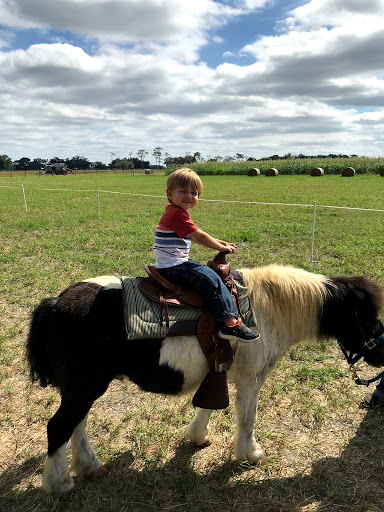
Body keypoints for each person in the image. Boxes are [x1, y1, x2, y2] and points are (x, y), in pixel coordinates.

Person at [153, 168, 260, 343]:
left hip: (174, 262)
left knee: (206, 273)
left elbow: (194, 233)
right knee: (211, 280)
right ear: (170, 194)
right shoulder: (177, 214)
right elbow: (200, 237)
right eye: (183, 191)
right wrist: (220, 247)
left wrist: (221, 243)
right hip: (173, 266)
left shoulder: (176, 212)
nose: (189, 196)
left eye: (194, 193)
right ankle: (230, 323)